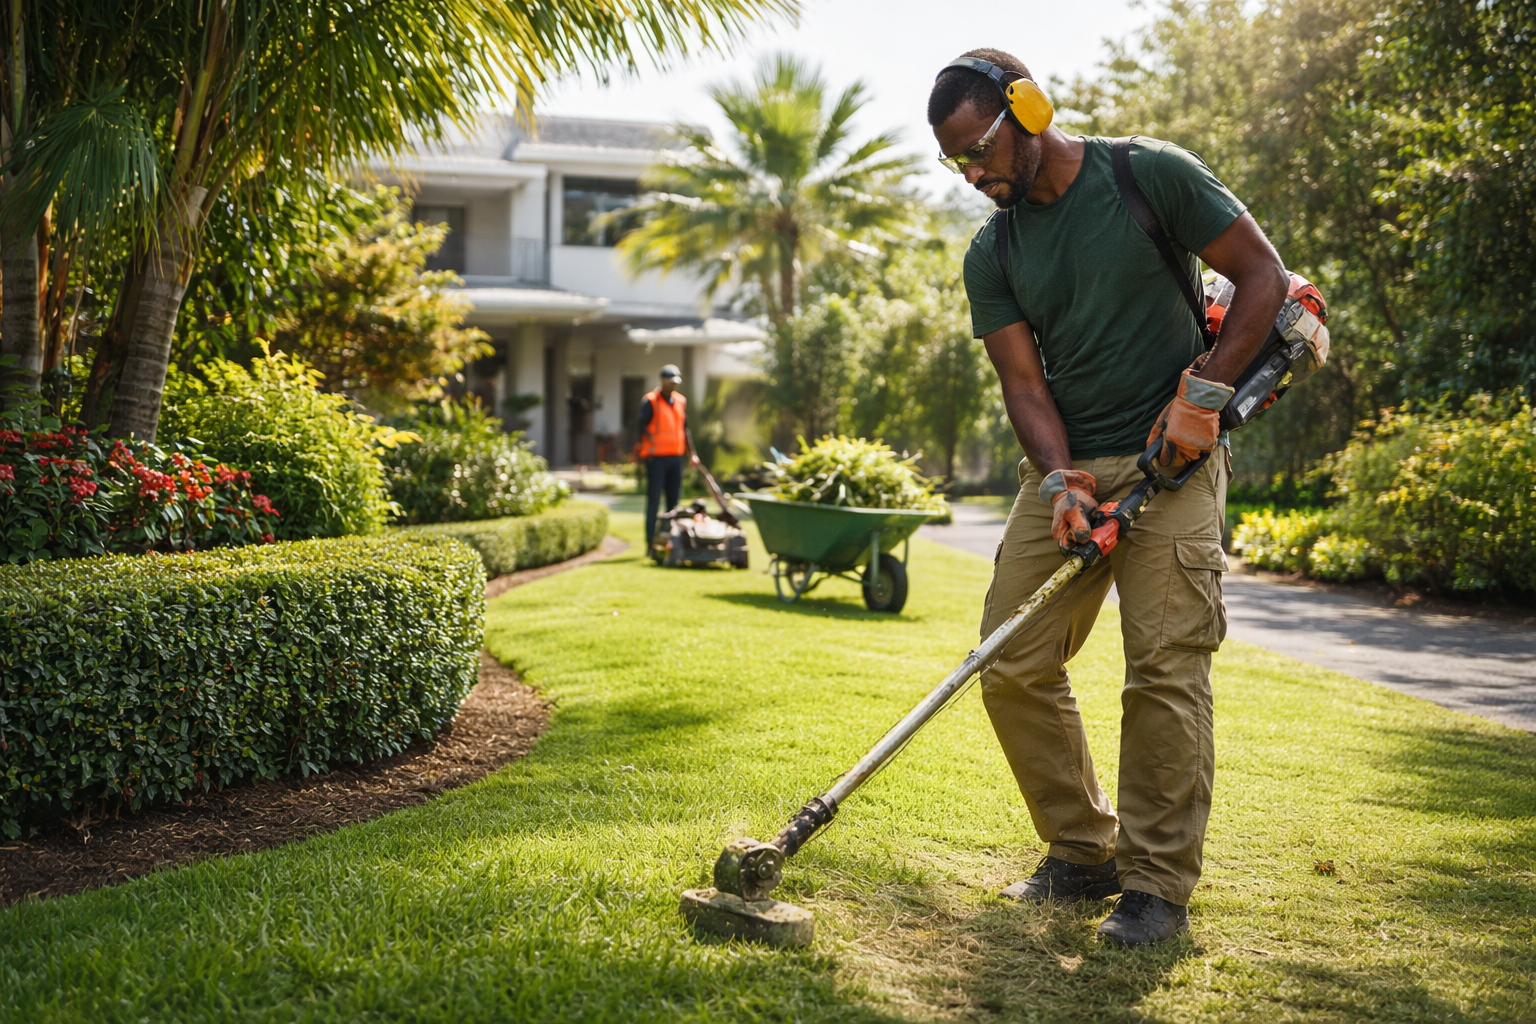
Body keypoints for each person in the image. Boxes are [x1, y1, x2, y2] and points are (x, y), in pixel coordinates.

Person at [928, 49, 1289, 947]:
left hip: (1177, 458)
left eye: (978, 150)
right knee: (1009, 661)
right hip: (1076, 467)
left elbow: (1264, 279)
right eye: (956, 163)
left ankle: (1157, 888)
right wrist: (1061, 482)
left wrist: (1203, 396)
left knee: (1163, 665)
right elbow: (1023, 384)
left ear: (1029, 109)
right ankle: (1084, 851)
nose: (973, 175)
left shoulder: (1146, 174)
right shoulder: (994, 250)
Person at [637, 364, 699, 547]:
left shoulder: (680, 401)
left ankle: (672, 542)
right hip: (656, 459)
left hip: (675, 458)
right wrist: (649, 441)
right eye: (670, 382)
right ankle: (650, 544)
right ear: (662, 381)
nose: (673, 385)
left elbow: (684, 429)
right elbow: (640, 425)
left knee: (674, 505)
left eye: (675, 382)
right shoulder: (650, 401)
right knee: (654, 501)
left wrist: (692, 453)